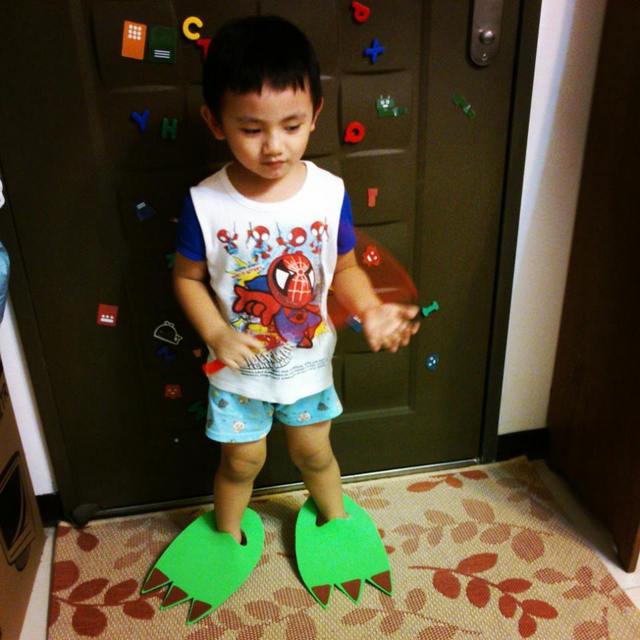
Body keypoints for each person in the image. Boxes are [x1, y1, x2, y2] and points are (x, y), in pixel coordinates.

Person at [172, 13, 419, 598]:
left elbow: (346, 270)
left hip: (307, 366)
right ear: (215, 122)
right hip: (237, 372)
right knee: (240, 463)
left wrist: (371, 310)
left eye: (290, 125)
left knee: (314, 452)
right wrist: (216, 333)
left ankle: (336, 520)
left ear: (315, 114)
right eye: (251, 128)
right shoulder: (205, 203)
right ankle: (224, 534)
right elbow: (186, 279)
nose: (274, 146)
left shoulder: (328, 193)